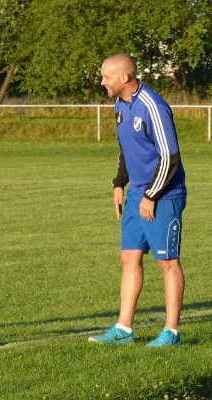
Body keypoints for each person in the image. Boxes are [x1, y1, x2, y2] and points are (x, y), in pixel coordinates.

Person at [88, 53, 187, 347]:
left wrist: (151, 195)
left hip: (164, 195)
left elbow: (169, 158)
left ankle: (171, 332)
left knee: (168, 262)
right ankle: (123, 329)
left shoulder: (153, 106)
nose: (102, 82)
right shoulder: (120, 105)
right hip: (136, 195)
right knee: (129, 257)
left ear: (124, 78)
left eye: (106, 77)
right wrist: (120, 182)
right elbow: (126, 146)